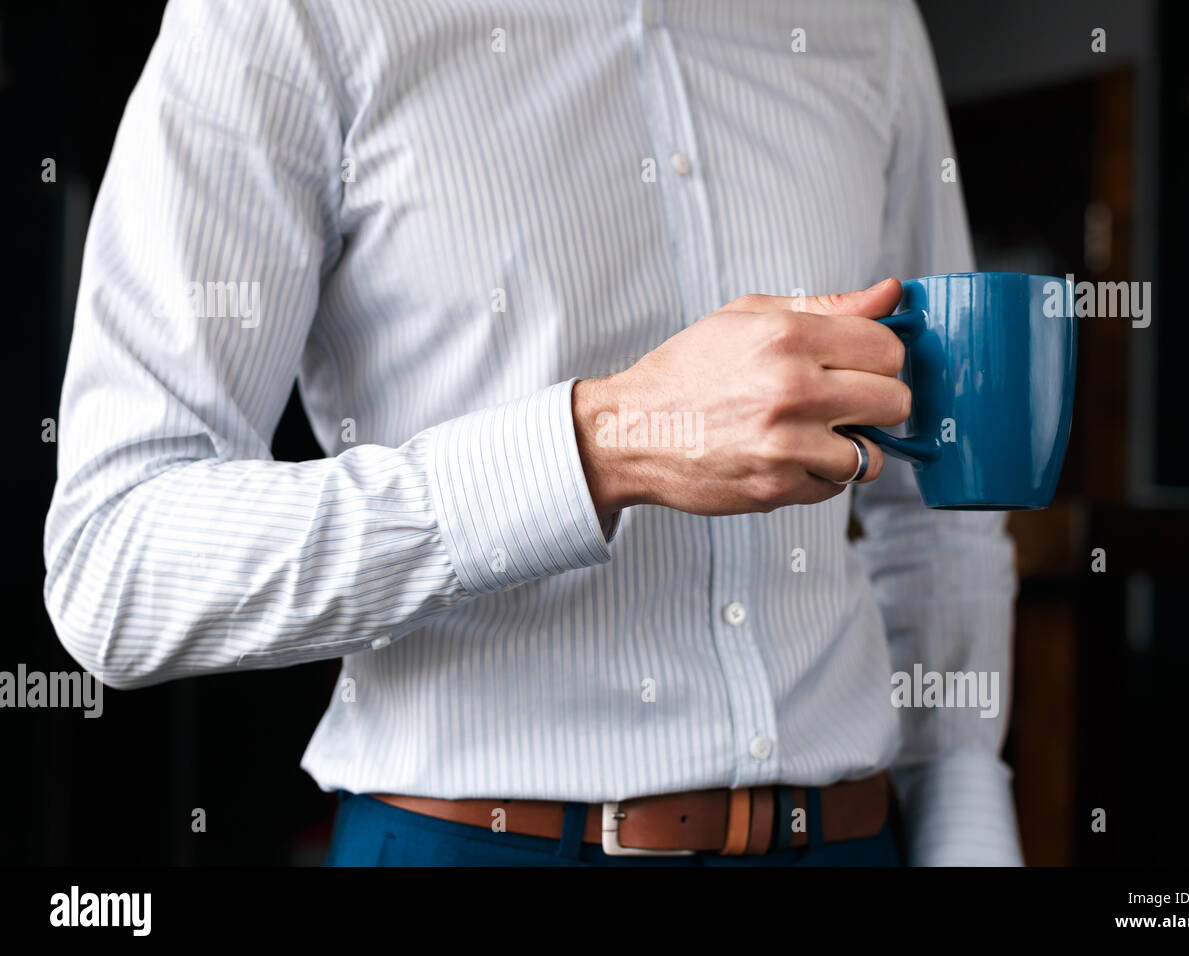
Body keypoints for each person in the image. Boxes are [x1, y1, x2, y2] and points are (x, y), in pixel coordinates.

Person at [44, 0, 1021, 866]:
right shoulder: (287, 16)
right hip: (473, 842)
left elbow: (941, 501)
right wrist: (603, 444)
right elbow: (116, 561)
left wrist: (966, 811)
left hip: (853, 839)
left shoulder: (870, 21)